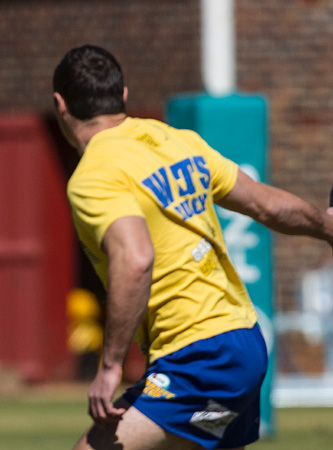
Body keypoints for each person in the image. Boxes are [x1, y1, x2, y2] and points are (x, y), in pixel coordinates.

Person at [52, 44, 333, 450]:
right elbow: (265, 204)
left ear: (61, 104)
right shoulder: (175, 140)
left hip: (200, 360)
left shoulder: (93, 175)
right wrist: (326, 226)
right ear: (124, 96)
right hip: (244, 352)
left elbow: (135, 258)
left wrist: (110, 366)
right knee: (195, 435)